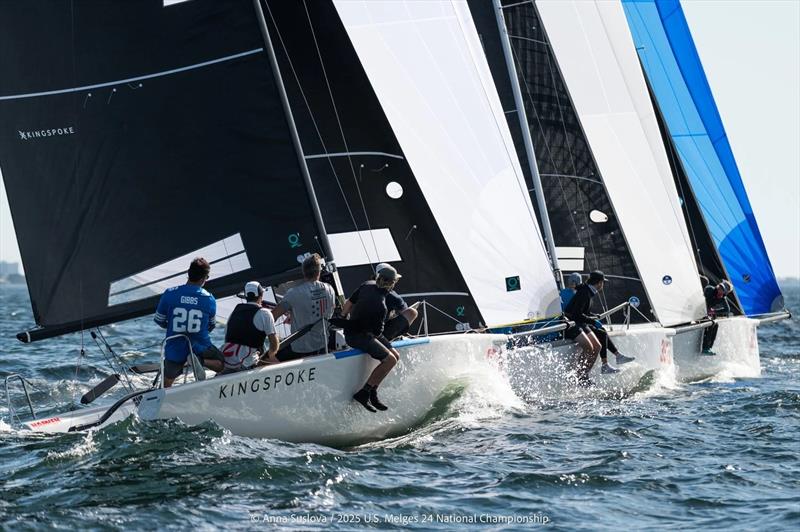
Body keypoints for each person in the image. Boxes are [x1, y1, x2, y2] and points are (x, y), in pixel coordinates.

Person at [340, 265, 403, 412]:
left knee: (396, 355)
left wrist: (342, 318)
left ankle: (373, 392)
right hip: (358, 336)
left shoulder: (366, 285)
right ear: (392, 283)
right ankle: (364, 392)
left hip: (355, 331)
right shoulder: (382, 307)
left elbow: (349, 302)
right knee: (390, 360)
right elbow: (376, 333)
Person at [154, 257, 224, 387]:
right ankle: (200, 360)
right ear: (204, 278)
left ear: (188, 273)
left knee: (166, 383)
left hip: (175, 347)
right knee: (221, 364)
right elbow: (211, 326)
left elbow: (159, 320)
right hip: (200, 346)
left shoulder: (169, 293)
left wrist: (173, 327)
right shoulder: (209, 299)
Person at [563, 270, 634, 383]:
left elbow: (582, 311)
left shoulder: (589, 291)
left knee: (597, 346)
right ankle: (578, 375)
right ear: (599, 283)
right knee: (589, 347)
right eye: (603, 282)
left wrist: (592, 317)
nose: (603, 285)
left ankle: (585, 374)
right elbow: (576, 314)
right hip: (573, 324)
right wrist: (592, 321)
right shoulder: (585, 293)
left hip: (580, 323)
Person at [272, 254, 335, 361]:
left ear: (303, 272)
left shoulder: (293, 294)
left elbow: (272, 317)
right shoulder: (330, 289)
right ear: (319, 272)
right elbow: (329, 312)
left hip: (300, 349)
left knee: (267, 357)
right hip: (323, 345)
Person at [221, 281, 280, 372]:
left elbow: (227, 337)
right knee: (276, 363)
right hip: (246, 364)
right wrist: (269, 356)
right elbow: (274, 344)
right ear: (261, 295)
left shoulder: (235, 311)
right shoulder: (265, 313)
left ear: (246, 296)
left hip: (227, 362)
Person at [374, 262, 418, 340]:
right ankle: (397, 336)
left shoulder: (366, 287)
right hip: (379, 335)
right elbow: (405, 311)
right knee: (412, 312)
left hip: (360, 334)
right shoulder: (392, 295)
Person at [701, 278, 733, 353]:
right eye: (720, 286)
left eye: (722, 288)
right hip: (699, 312)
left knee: (715, 324)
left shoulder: (722, 298)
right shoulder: (710, 289)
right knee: (711, 324)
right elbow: (702, 300)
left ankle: (708, 347)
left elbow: (727, 310)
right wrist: (707, 310)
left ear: (725, 292)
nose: (719, 288)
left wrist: (714, 311)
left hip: (705, 314)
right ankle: (705, 347)